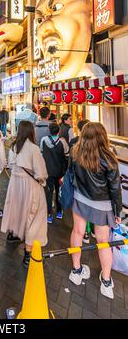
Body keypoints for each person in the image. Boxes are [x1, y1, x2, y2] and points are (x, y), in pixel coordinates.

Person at [69, 122, 122, 300]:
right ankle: (106, 282)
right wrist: (117, 211)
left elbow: (71, 174)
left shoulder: (75, 151)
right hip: (102, 204)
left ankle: (76, 270)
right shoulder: (109, 158)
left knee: (77, 232)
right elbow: (115, 188)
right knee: (103, 241)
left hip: (80, 198)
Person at [2, 121, 48, 267]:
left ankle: (13, 233)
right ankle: (28, 254)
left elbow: (10, 165)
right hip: (30, 186)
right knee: (34, 217)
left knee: (16, 210)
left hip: (15, 185)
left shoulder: (14, 146)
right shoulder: (33, 148)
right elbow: (41, 173)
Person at [40, 123, 69, 223]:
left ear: (49, 130)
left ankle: (49, 215)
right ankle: (59, 212)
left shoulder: (43, 140)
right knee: (59, 192)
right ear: (59, 131)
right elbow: (67, 154)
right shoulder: (62, 141)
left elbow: (41, 153)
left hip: (48, 171)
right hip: (60, 171)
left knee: (48, 192)